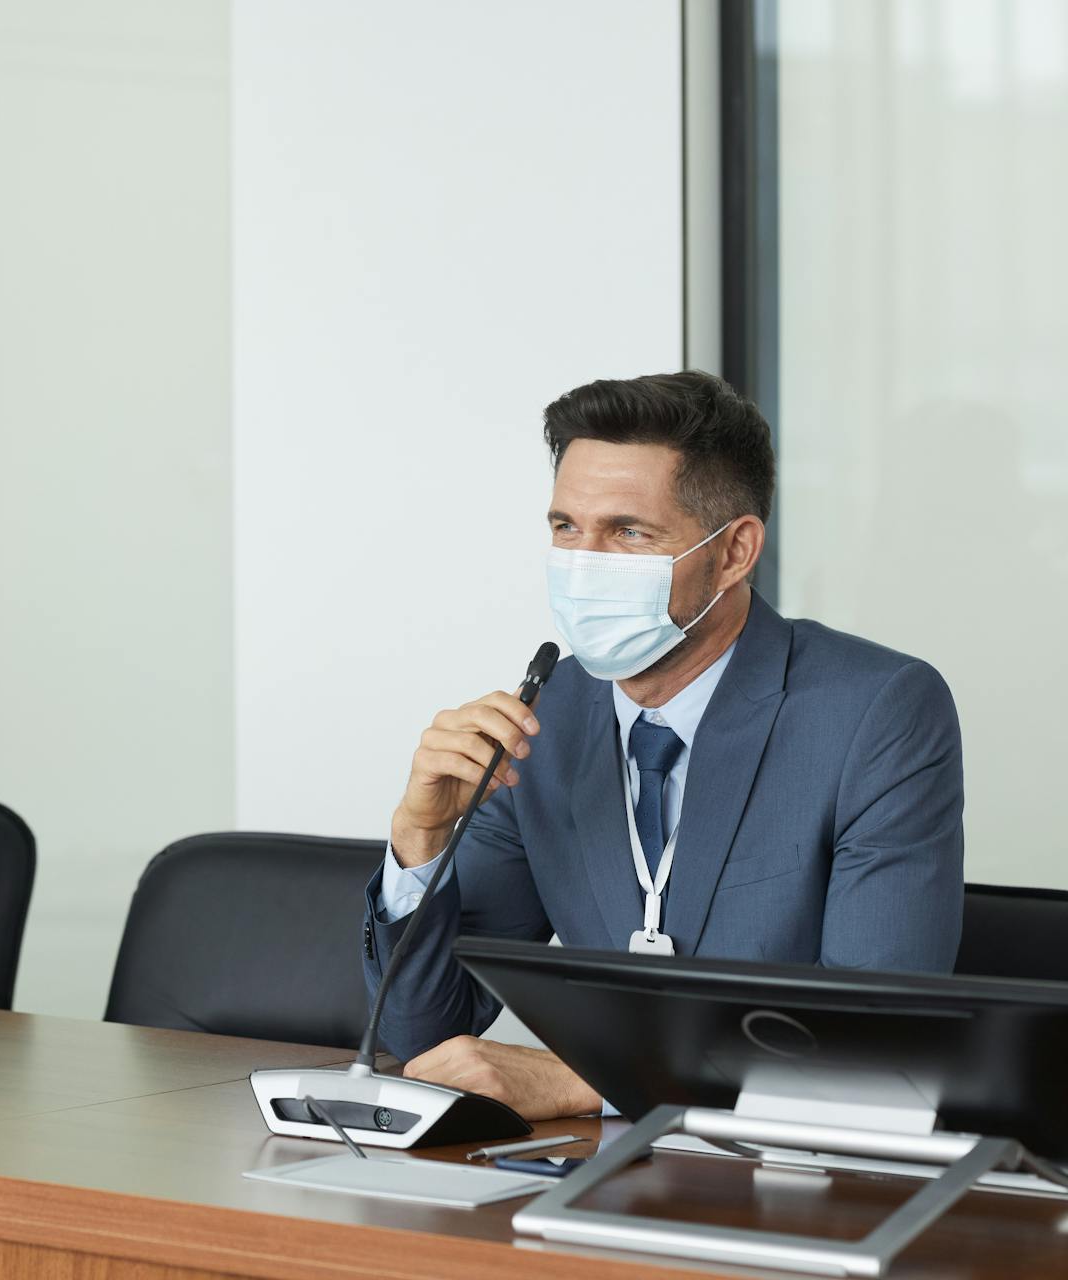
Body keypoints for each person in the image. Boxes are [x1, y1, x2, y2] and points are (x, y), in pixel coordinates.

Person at [365, 371, 962, 1121]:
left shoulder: (876, 713)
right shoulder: (547, 718)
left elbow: (876, 1042)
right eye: (565, 527)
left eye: (629, 532)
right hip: (599, 1184)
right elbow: (425, 1031)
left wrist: (592, 1082)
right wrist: (420, 836)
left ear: (736, 551)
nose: (585, 562)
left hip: (803, 1188)